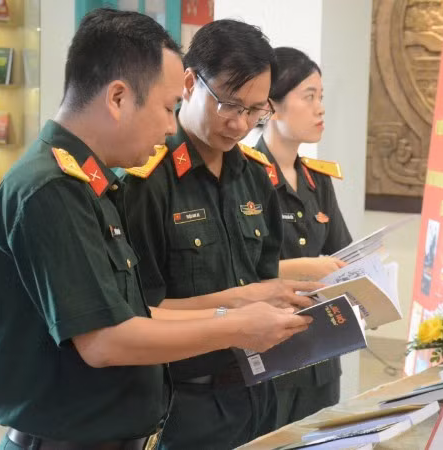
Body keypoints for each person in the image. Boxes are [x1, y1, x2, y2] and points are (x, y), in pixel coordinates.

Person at [0, 10, 311, 450]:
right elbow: (105, 341)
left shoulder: (92, 184)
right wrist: (235, 326)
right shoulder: (51, 189)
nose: (170, 126)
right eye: (167, 107)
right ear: (118, 98)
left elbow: (134, 313)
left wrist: (238, 307)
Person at [124, 20, 320, 449]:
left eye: (255, 111)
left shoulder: (254, 176)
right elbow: (137, 312)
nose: (239, 124)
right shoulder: (147, 182)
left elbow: (265, 280)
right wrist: (236, 309)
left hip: (257, 391)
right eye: (230, 105)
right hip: (182, 401)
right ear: (191, 82)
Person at [254, 47, 354, 426]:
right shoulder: (246, 176)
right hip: (273, 355)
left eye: (321, 97)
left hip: (324, 350)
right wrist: (306, 268)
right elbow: (241, 272)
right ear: (273, 106)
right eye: (308, 97)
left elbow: (343, 253)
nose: (320, 109)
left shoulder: (319, 179)